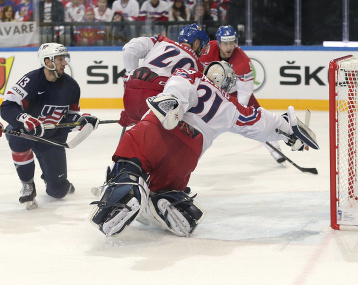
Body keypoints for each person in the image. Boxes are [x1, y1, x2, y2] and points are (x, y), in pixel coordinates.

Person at [89, 61, 319, 237]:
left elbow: (179, 88)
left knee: (129, 163)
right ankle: (166, 197)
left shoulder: (191, 73)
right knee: (164, 186)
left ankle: (128, 184)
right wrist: (290, 131)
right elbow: (261, 122)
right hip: (186, 155)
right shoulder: (232, 106)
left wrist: (172, 102)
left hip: (157, 130)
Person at [0, 43, 99, 210]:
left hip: (51, 138)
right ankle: (28, 184)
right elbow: (7, 107)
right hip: (28, 132)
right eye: (60, 59)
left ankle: (55, 180)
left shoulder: (72, 86)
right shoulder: (31, 81)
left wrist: (82, 121)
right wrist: (24, 118)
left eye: (64, 59)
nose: (64, 63)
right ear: (47, 61)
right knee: (17, 136)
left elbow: (69, 117)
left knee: (58, 192)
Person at [199, 25, 285, 164]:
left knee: (256, 117)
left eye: (232, 43)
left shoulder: (242, 61)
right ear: (219, 42)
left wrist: (237, 110)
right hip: (212, 89)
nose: (229, 47)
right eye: (225, 43)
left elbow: (245, 92)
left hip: (235, 91)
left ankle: (274, 147)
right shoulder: (206, 50)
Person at [118, 23, 209, 127]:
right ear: (196, 43)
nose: (202, 50)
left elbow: (130, 48)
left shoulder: (161, 41)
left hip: (130, 98)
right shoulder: (198, 68)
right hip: (158, 103)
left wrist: (131, 74)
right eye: (202, 45)